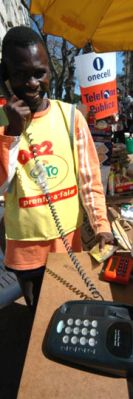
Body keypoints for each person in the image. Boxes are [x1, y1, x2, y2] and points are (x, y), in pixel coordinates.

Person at [0, 26, 113, 312]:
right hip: (24, 247)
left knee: (70, 309)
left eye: (39, 73)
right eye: (21, 75)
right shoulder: (3, 123)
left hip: (69, 242)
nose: (33, 83)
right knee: (37, 314)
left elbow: (90, 182)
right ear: (6, 78)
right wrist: (12, 132)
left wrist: (101, 226)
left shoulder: (71, 116)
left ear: (50, 69)